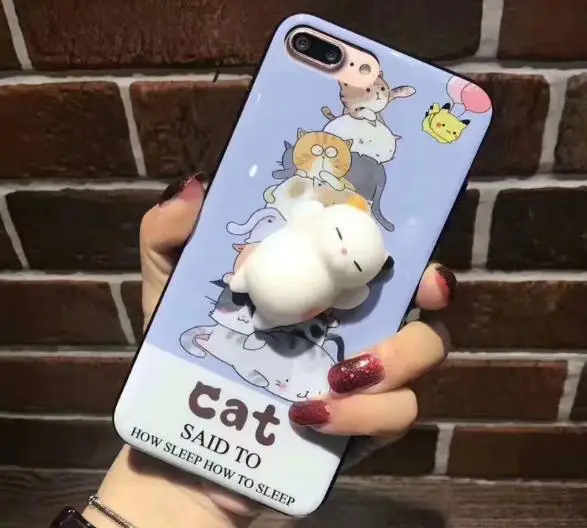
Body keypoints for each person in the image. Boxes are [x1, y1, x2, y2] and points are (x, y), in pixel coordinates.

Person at [80, 174, 453, 528]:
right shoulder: (303, 229)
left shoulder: (335, 275)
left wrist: (200, 509)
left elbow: (348, 293)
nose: (343, 248)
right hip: (256, 293)